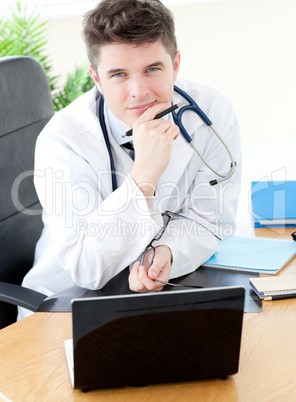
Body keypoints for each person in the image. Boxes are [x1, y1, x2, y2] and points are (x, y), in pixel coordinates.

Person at [18, 0, 241, 320]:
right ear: (96, 78)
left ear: (175, 64)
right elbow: (86, 269)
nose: (138, 91)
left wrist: (167, 253)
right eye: (119, 74)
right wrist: (144, 176)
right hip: (64, 308)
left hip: (159, 293)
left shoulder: (212, 112)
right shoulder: (63, 141)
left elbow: (209, 219)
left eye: (152, 69)